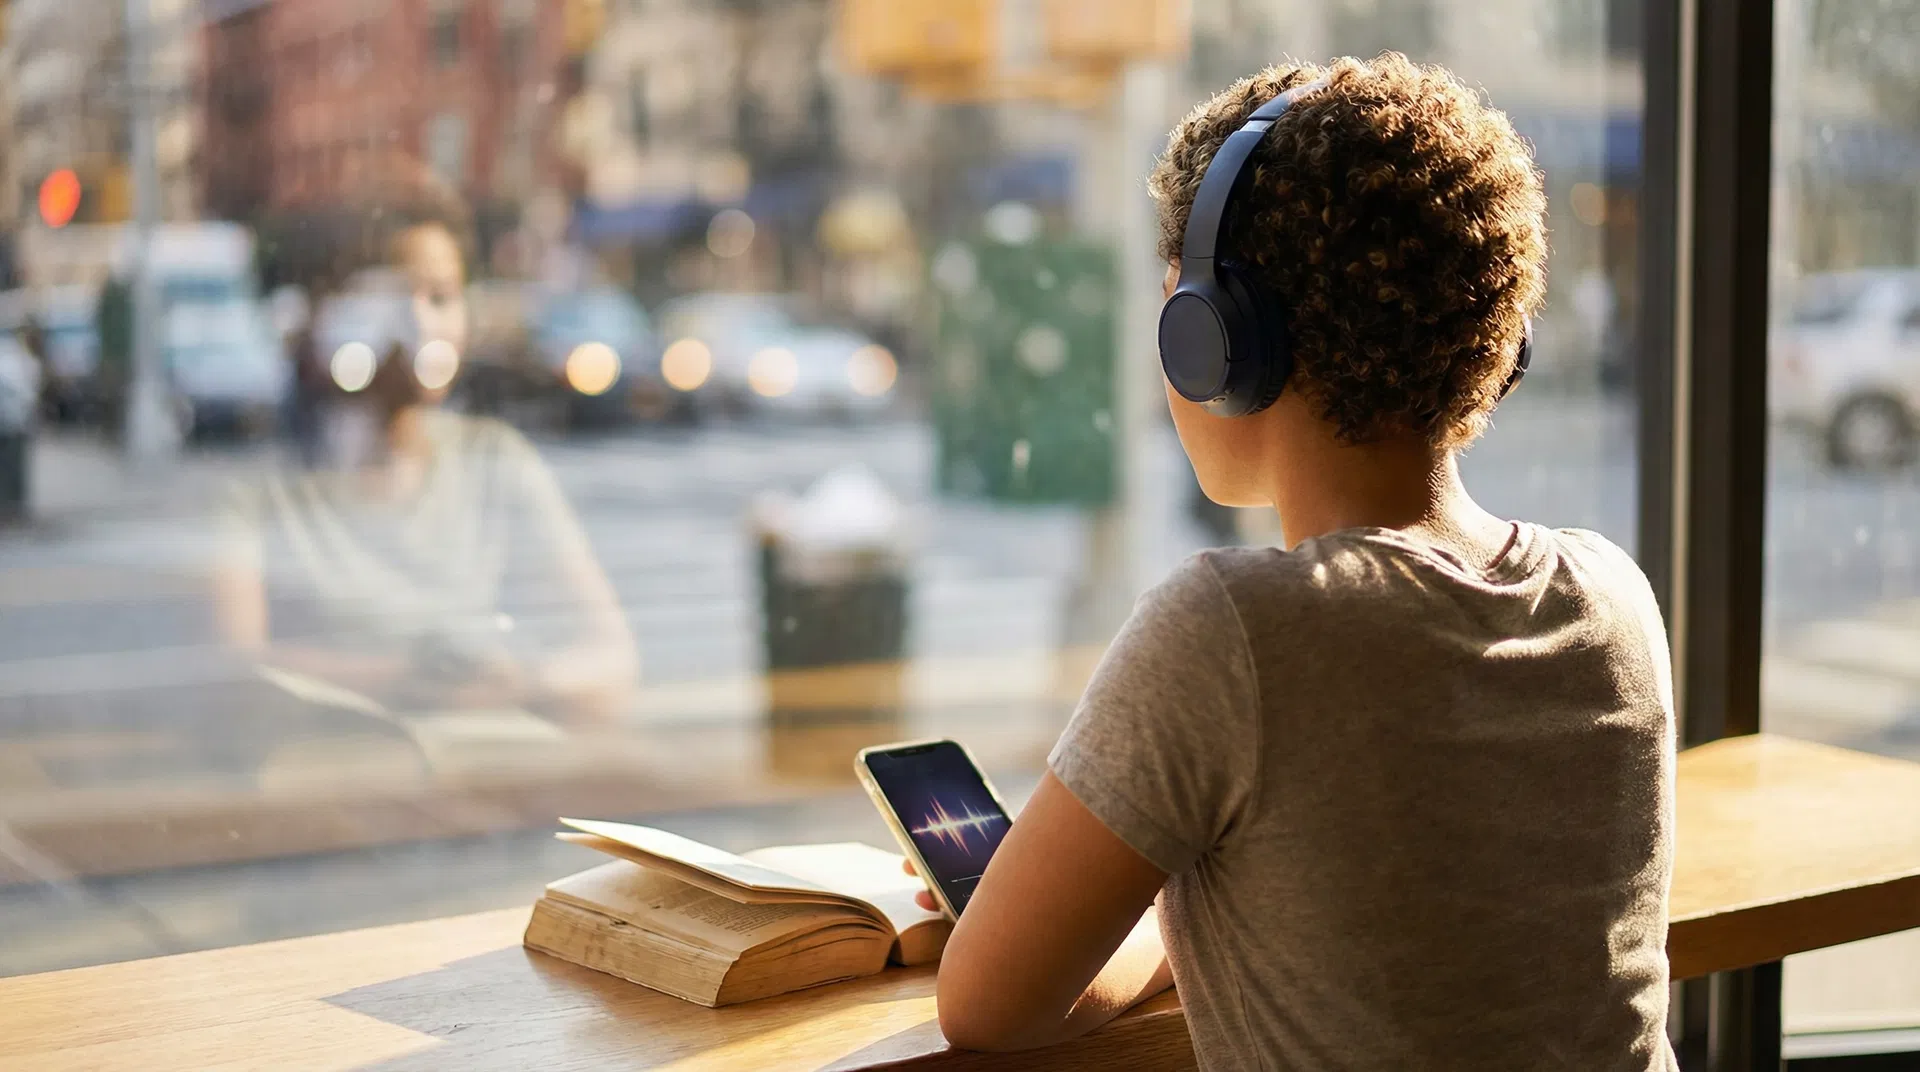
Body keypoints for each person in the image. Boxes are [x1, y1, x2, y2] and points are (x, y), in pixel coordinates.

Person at [919, 56, 1677, 1069]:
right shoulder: (1611, 595)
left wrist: (1035, 910)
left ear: (1215, 339)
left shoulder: (1232, 631)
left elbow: (987, 1004)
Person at [211, 165, 638, 729]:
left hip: (488, 792)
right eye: (380, 297)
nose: (418, 323)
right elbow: (232, 675)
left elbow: (612, 661)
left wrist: (522, 680)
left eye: (440, 296)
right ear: (307, 314)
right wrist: (410, 678)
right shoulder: (255, 486)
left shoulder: (494, 459)